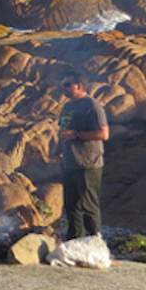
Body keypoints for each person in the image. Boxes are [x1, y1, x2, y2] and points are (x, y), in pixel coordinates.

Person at [57, 71, 108, 239]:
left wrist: (77, 135)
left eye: (67, 84)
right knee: (71, 206)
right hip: (70, 163)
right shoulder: (67, 106)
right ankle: (75, 242)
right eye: (63, 84)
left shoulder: (92, 106)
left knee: (88, 205)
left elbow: (103, 134)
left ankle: (95, 242)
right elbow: (63, 130)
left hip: (88, 164)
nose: (63, 88)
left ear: (79, 86)